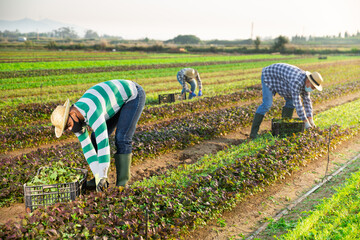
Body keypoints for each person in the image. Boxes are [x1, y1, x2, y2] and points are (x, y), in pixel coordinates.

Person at [51, 80, 146, 192]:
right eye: (66, 128)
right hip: (111, 103)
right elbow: (87, 147)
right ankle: (100, 180)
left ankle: (122, 184)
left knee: (122, 138)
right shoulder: (75, 119)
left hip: (132, 95)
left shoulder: (92, 111)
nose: (70, 129)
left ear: (72, 114)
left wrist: (103, 175)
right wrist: (98, 177)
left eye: (68, 125)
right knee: (94, 138)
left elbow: (103, 143)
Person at [250, 63, 324, 139]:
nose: (312, 89)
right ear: (308, 81)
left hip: (283, 81)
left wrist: (310, 119)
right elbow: (298, 103)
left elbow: (307, 101)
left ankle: (283, 129)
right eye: (313, 87)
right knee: (267, 104)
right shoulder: (297, 81)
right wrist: (305, 122)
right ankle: (253, 134)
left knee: (291, 103)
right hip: (269, 75)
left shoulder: (305, 83)